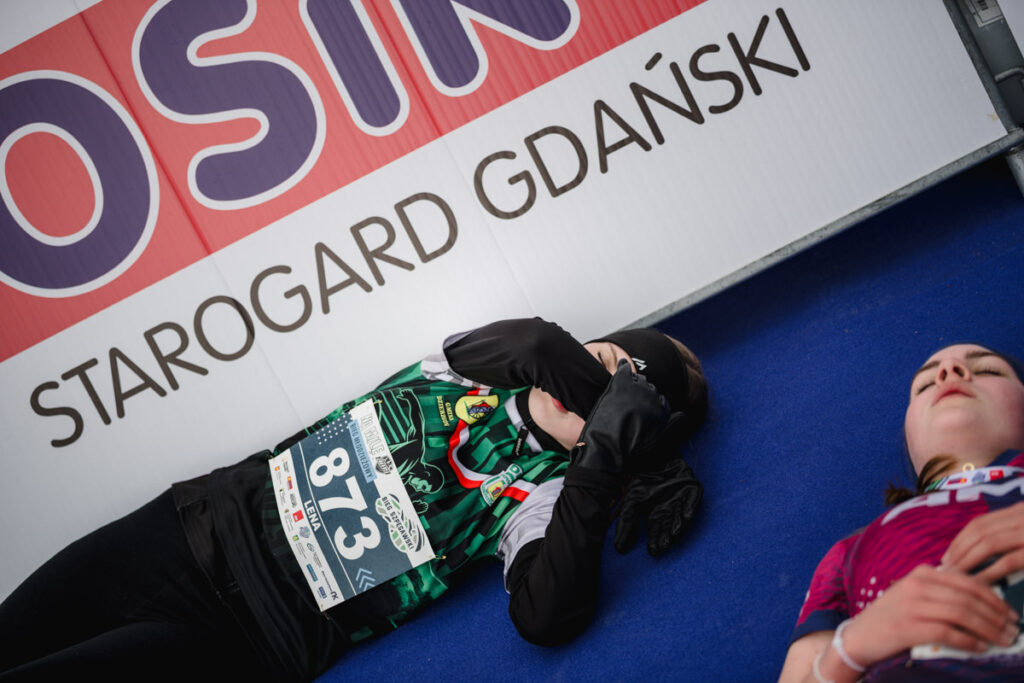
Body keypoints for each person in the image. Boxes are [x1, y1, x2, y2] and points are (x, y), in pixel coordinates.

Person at [0, 317, 707, 682]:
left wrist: (605, 460)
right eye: (601, 363)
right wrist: (634, 443)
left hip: (243, 639)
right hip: (176, 535)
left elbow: (545, 617)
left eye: (616, 410)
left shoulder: (541, 496)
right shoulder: (468, 369)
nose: (592, 393)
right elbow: (539, 343)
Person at [779, 343, 1024, 683]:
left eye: (989, 370)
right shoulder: (850, 550)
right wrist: (848, 649)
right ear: (910, 442)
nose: (949, 371)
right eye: (924, 386)